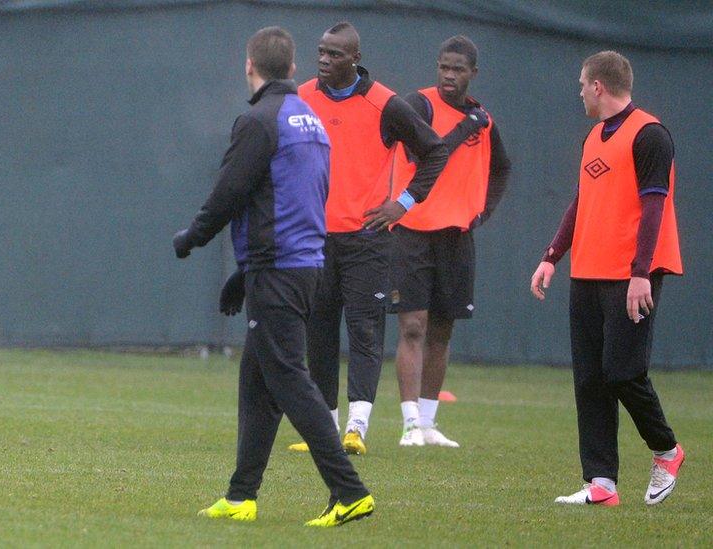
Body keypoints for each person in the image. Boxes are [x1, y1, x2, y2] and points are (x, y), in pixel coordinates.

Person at [174, 26, 374, 527]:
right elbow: (297, 199)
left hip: (282, 270)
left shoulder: (259, 119)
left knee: (287, 378)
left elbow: (230, 192)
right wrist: (246, 274)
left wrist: (192, 237)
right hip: (302, 263)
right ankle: (242, 495)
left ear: (250, 66)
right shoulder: (309, 119)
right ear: (292, 69)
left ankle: (348, 491)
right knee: (257, 382)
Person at [530, 50, 684, 506]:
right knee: (590, 379)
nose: (579, 91)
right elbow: (581, 203)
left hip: (631, 274)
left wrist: (641, 273)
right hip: (589, 272)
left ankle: (667, 450)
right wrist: (552, 256)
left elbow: (655, 206)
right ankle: (601, 483)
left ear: (598, 86)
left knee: (623, 373)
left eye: (582, 84)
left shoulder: (650, 135)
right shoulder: (593, 136)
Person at [289, 22, 447, 455]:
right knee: (319, 332)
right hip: (315, 239)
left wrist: (404, 202)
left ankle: (357, 427)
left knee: (364, 331)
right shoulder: (301, 98)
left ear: (355, 58)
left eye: (334, 54)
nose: (324, 60)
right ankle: (324, 429)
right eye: (320, 51)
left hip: (367, 238)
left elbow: (436, 152)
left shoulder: (386, 105)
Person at [389, 35, 511, 447]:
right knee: (412, 327)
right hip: (412, 232)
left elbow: (501, 170)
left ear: (472, 74)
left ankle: (427, 423)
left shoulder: (484, 120)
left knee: (442, 330)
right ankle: (408, 426)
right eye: (443, 66)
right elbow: (420, 154)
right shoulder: (418, 105)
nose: (448, 75)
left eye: (457, 69)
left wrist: (483, 209)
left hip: (456, 237)